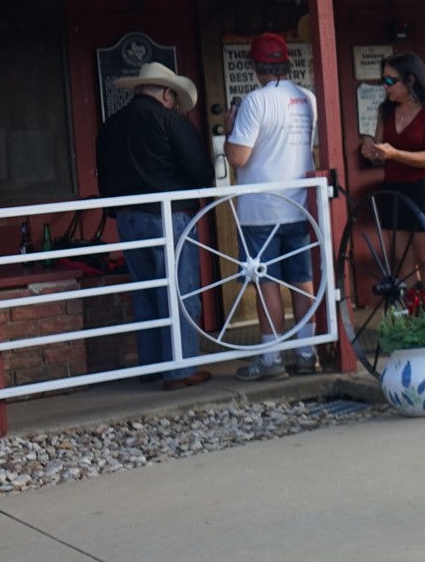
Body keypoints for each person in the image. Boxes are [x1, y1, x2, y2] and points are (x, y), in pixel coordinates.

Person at [97, 61, 214, 391]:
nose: (174, 104)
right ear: (165, 94)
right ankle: (180, 370)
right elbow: (201, 172)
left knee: (145, 292)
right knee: (180, 292)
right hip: (168, 216)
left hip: (128, 219)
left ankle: (151, 366)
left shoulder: (110, 126)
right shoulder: (171, 121)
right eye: (174, 98)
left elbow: (104, 179)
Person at [225, 33, 321, 381]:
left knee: (267, 284)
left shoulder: (255, 101)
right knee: (302, 282)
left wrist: (229, 129)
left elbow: (238, 156)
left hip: (261, 209)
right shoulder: (307, 98)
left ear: (255, 66)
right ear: (287, 63)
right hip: (300, 204)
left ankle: (271, 359)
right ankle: (307, 354)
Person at [360, 52, 425, 297]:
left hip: (424, 189)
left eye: (390, 80)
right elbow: (382, 149)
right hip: (394, 187)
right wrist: (372, 151)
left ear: (411, 80)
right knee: (402, 258)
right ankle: (414, 311)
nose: (385, 86)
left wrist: (394, 153)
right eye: (382, 80)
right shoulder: (386, 111)